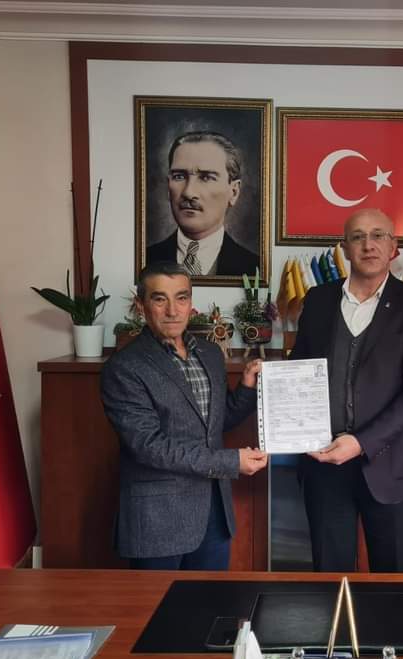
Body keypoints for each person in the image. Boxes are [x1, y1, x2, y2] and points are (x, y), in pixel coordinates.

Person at [289, 208, 403, 572]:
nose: (368, 245)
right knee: (330, 581)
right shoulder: (318, 300)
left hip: (390, 468)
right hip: (323, 466)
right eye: (357, 237)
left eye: (377, 236)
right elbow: (298, 373)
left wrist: (361, 442)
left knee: (392, 584)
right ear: (344, 247)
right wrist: (266, 379)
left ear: (393, 246)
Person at [100, 261, 268, 569]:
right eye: (159, 299)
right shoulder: (124, 367)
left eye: (181, 297)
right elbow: (149, 446)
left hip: (214, 515)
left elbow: (215, 424)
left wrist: (246, 387)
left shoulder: (210, 354)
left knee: (208, 600)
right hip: (157, 520)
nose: (172, 310)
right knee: (157, 602)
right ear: (141, 305)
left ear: (191, 302)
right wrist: (231, 461)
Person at [145, 131, 260, 277]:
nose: (188, 192)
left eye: (206, 178)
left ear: (234, 192)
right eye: (179, 176)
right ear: (168, 186)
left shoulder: (254, 267)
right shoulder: (144, 261)